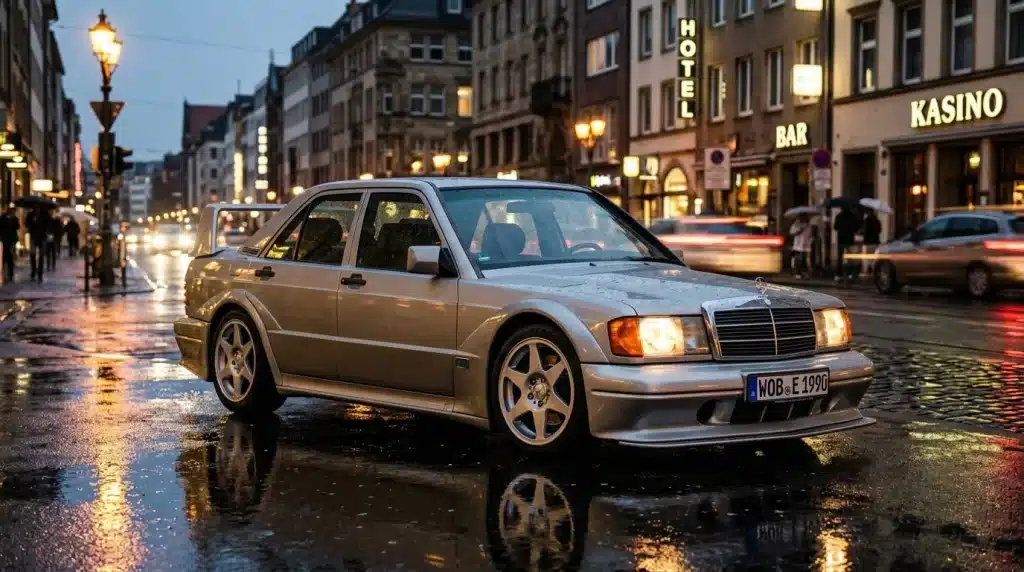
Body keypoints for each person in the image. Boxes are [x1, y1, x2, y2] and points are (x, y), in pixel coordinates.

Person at [833, 206, 861, 282]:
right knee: (850, 257)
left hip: (841, 239)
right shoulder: (853, 216)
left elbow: (835, 227)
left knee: (840, 257)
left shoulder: (839, 216)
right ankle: (850, 273)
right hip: (850, 239)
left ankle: (839, 274)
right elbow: (857, 226)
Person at [789, 214, 814, 278]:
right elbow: (791, 233)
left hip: (807, 245)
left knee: (806, 260)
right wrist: (799, 231)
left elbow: (811, 234)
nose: (803, 218)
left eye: (805, 217)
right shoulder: (795, 225)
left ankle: (806, 273)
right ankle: (797, 273)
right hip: (798, 246)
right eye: (802, 217)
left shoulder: (809, 225)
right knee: (798, 260)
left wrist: (811, 240)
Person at [26, 209, 48, 282]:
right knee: (32, 255)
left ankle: (40, 273)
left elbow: (48, 224)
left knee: (41, 256)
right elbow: (27, 224)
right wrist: (32, 222)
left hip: (42, 237)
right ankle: (33, 271)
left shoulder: (45, 214)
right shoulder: (31, 214)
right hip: (33, 237)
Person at [0, 208, 19, 283]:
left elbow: (17, 227)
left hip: (8, 241)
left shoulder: (11, 218)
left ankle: (8, 273)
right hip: (7, 241)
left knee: (8, 257)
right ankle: (8, 273)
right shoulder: (4, 218)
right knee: (7, 257)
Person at [862, 210, 882, 274]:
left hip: (868, 242)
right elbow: (879, 230)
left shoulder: (866, 221)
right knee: (874, 257)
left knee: (867, 257)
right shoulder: (877, 221)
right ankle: (873, 269)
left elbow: (864, 231)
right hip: (876, 241)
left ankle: (869, 268)